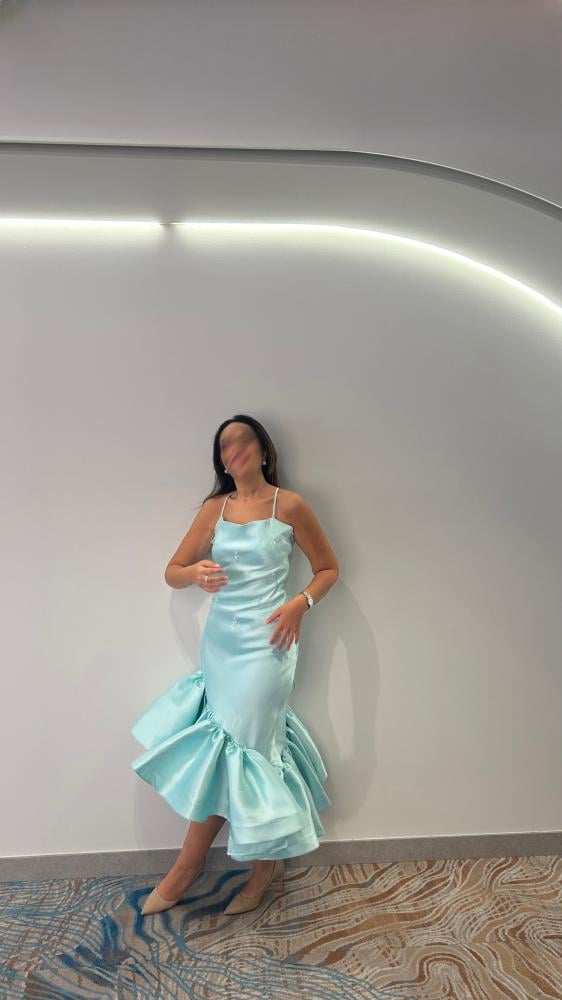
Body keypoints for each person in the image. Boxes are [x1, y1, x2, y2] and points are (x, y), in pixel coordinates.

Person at [131, 413, 339, 915]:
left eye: (243, 439)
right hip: (222, 646)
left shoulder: (290, 505)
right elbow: (172, 571)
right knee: (246, 748)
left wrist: (300, 604)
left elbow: (329, 569)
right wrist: (194, 573)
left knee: (243, 748)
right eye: (225, 445)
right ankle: (266, 865)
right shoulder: (215, 509)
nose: (234, 449)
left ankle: (187, 868)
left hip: (270, 643)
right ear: (222, 461)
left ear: (264, 450)